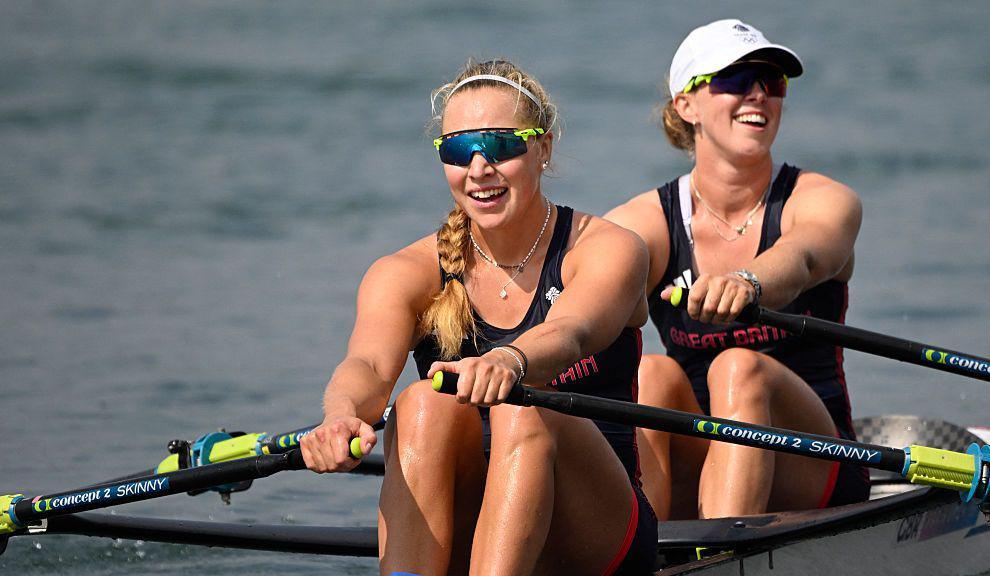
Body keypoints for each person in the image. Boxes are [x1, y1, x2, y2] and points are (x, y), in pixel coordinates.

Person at [299, 59, 657, 575]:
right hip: (477, 526)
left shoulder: (607, 248)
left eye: (502, 146)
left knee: (520, 405)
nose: (479, 169)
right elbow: (370, 369)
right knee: (420, 402)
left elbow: (572, 331)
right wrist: (339, 417)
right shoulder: (405, 272)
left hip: (599, 537)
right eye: (460, 150)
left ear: (544, 148)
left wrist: (510, 360)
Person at [605, 19, 870, 521]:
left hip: (816, 461)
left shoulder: (823, 201)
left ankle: (720, 548)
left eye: (771, 83)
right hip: (705, 456)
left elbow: (806, 257)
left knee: (737, 366)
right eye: (733, 80)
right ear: (686, 104)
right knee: (651, 373)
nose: (757, 95)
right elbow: (590, 300)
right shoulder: (643, 223)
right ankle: (649, 549)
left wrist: (748, 282)